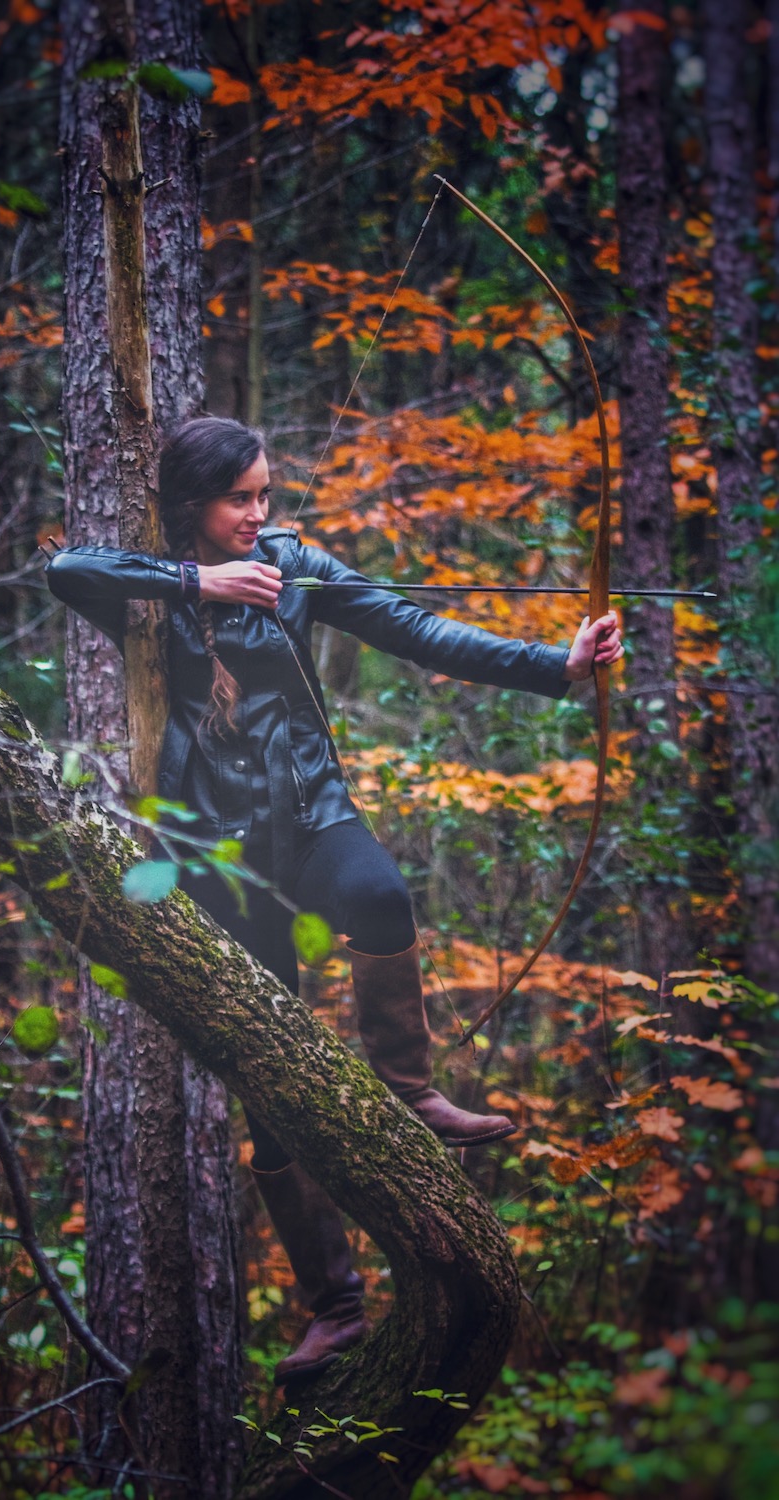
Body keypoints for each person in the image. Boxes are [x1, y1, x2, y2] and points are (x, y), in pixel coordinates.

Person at [45, 415, 624, 1386]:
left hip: (310, 814)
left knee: (381, 895)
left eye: (265, 495)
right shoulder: (157, 585)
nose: (256, 513)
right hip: (217, 854)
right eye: (238, 498)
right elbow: (67, 569)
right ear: (192, 503)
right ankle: (336, 1307)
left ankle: (409, 1089)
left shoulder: (294, 565)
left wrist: (555, 666)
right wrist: (198, 583)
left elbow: (417, 629)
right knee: (269, 1076)